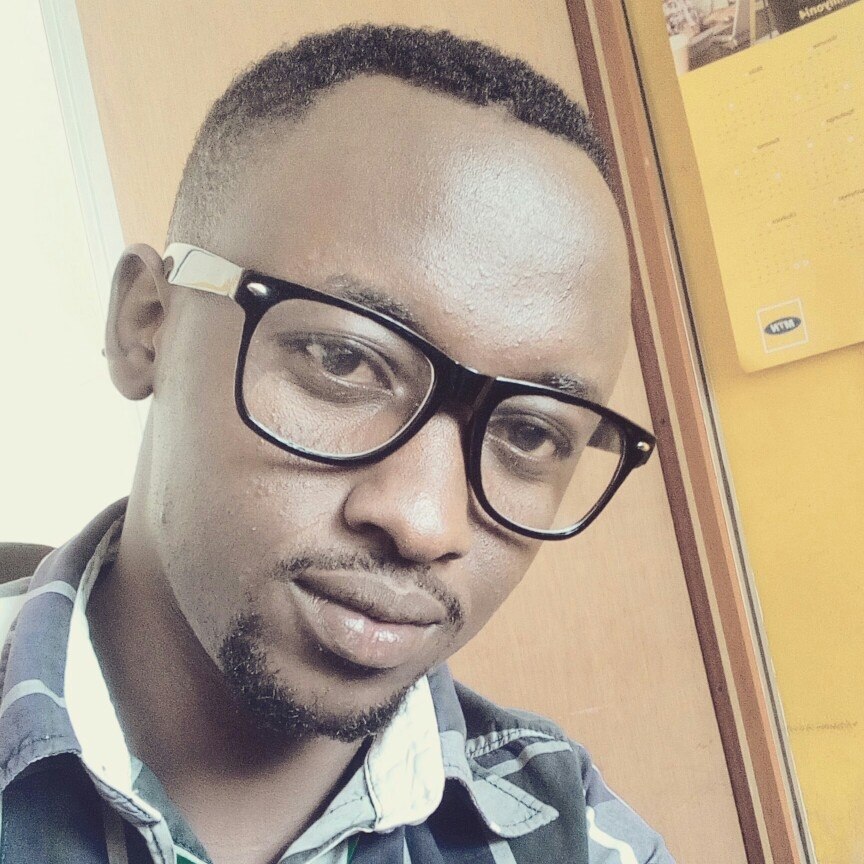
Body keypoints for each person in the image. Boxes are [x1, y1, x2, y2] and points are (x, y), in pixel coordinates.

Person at [0, 24, 673, 864]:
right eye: (344, 360)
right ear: (147, 325)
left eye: (529, 432)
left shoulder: (575, 840)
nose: (425, 523)